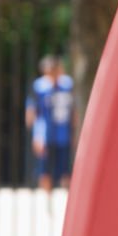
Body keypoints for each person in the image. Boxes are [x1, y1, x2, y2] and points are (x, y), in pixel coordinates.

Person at [26, 55, 76, 190]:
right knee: (44, 169)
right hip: (45, 135)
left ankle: (67, 199)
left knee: (65, 169)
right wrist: (36, 135)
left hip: (63, 135)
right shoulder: (39, 87)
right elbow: (32, 111)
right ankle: (47, 201)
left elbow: (73, 111)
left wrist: (74, 133)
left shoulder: (68, 85)